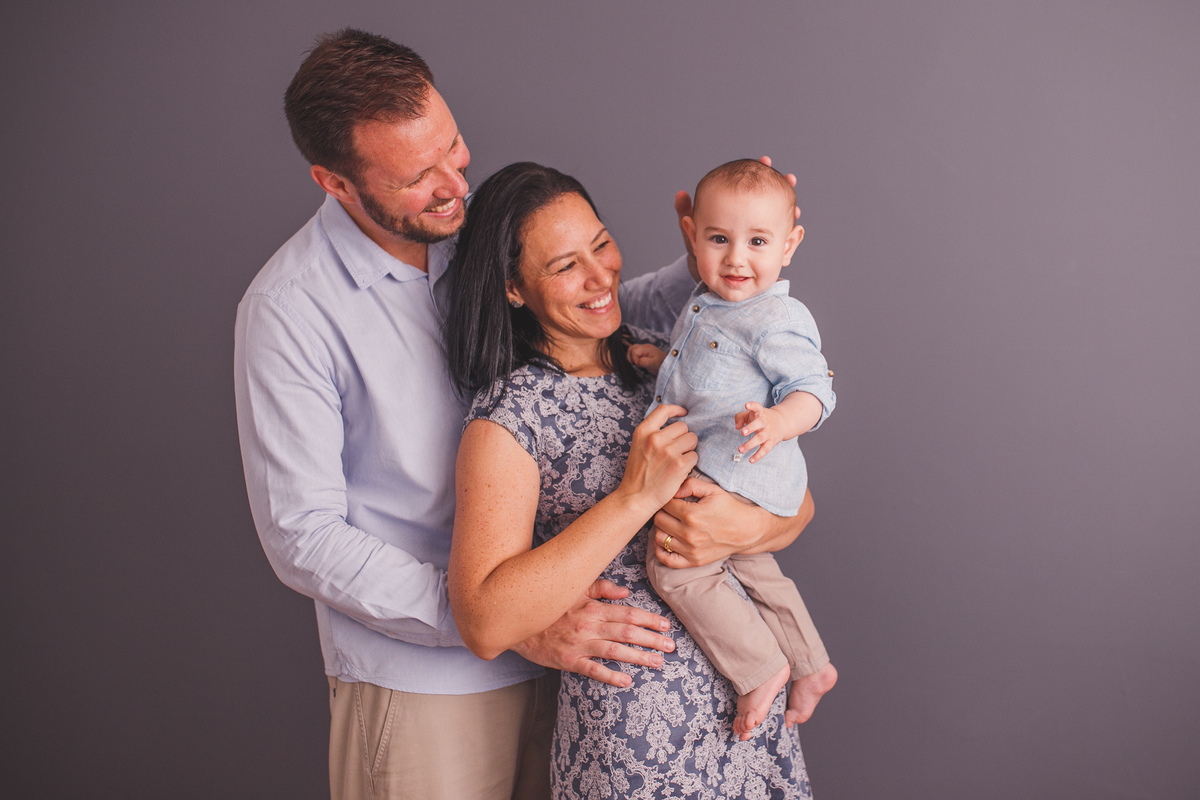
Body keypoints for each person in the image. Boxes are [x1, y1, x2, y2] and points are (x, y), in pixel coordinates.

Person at [234, 29, 803, 800]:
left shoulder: (474, 233)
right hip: (428, 677)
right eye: (417, 176)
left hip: (584, 664)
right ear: (336, 183)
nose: (450, 186)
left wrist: (724, 238)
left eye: (454, 151)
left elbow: (592, 316)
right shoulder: (292, 309)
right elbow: (302, 536)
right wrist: (502, 619)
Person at [445, 162, 816, 800]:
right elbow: (483, 620)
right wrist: (634, 498)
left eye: (601, 244)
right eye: (565, 266)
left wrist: (746, 526)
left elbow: (797, 502)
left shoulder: (663, 355)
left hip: (752, 711)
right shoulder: (512, 414)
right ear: (513, 288)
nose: (600, 277)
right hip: (638, 738)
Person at [628, 159, 839, 741]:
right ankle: (812, 666)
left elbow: (816, 391)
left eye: (758, 242)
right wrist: (659, 361)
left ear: (790, 244)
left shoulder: (777, 316)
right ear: (692, 236)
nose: (736, 259)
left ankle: (760, 667)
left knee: (674, 568)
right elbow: (702, 369)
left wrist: (779, 421)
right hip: (740, 473)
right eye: (718, 239)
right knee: (753, 569)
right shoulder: (708, 300)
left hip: (743, 470)